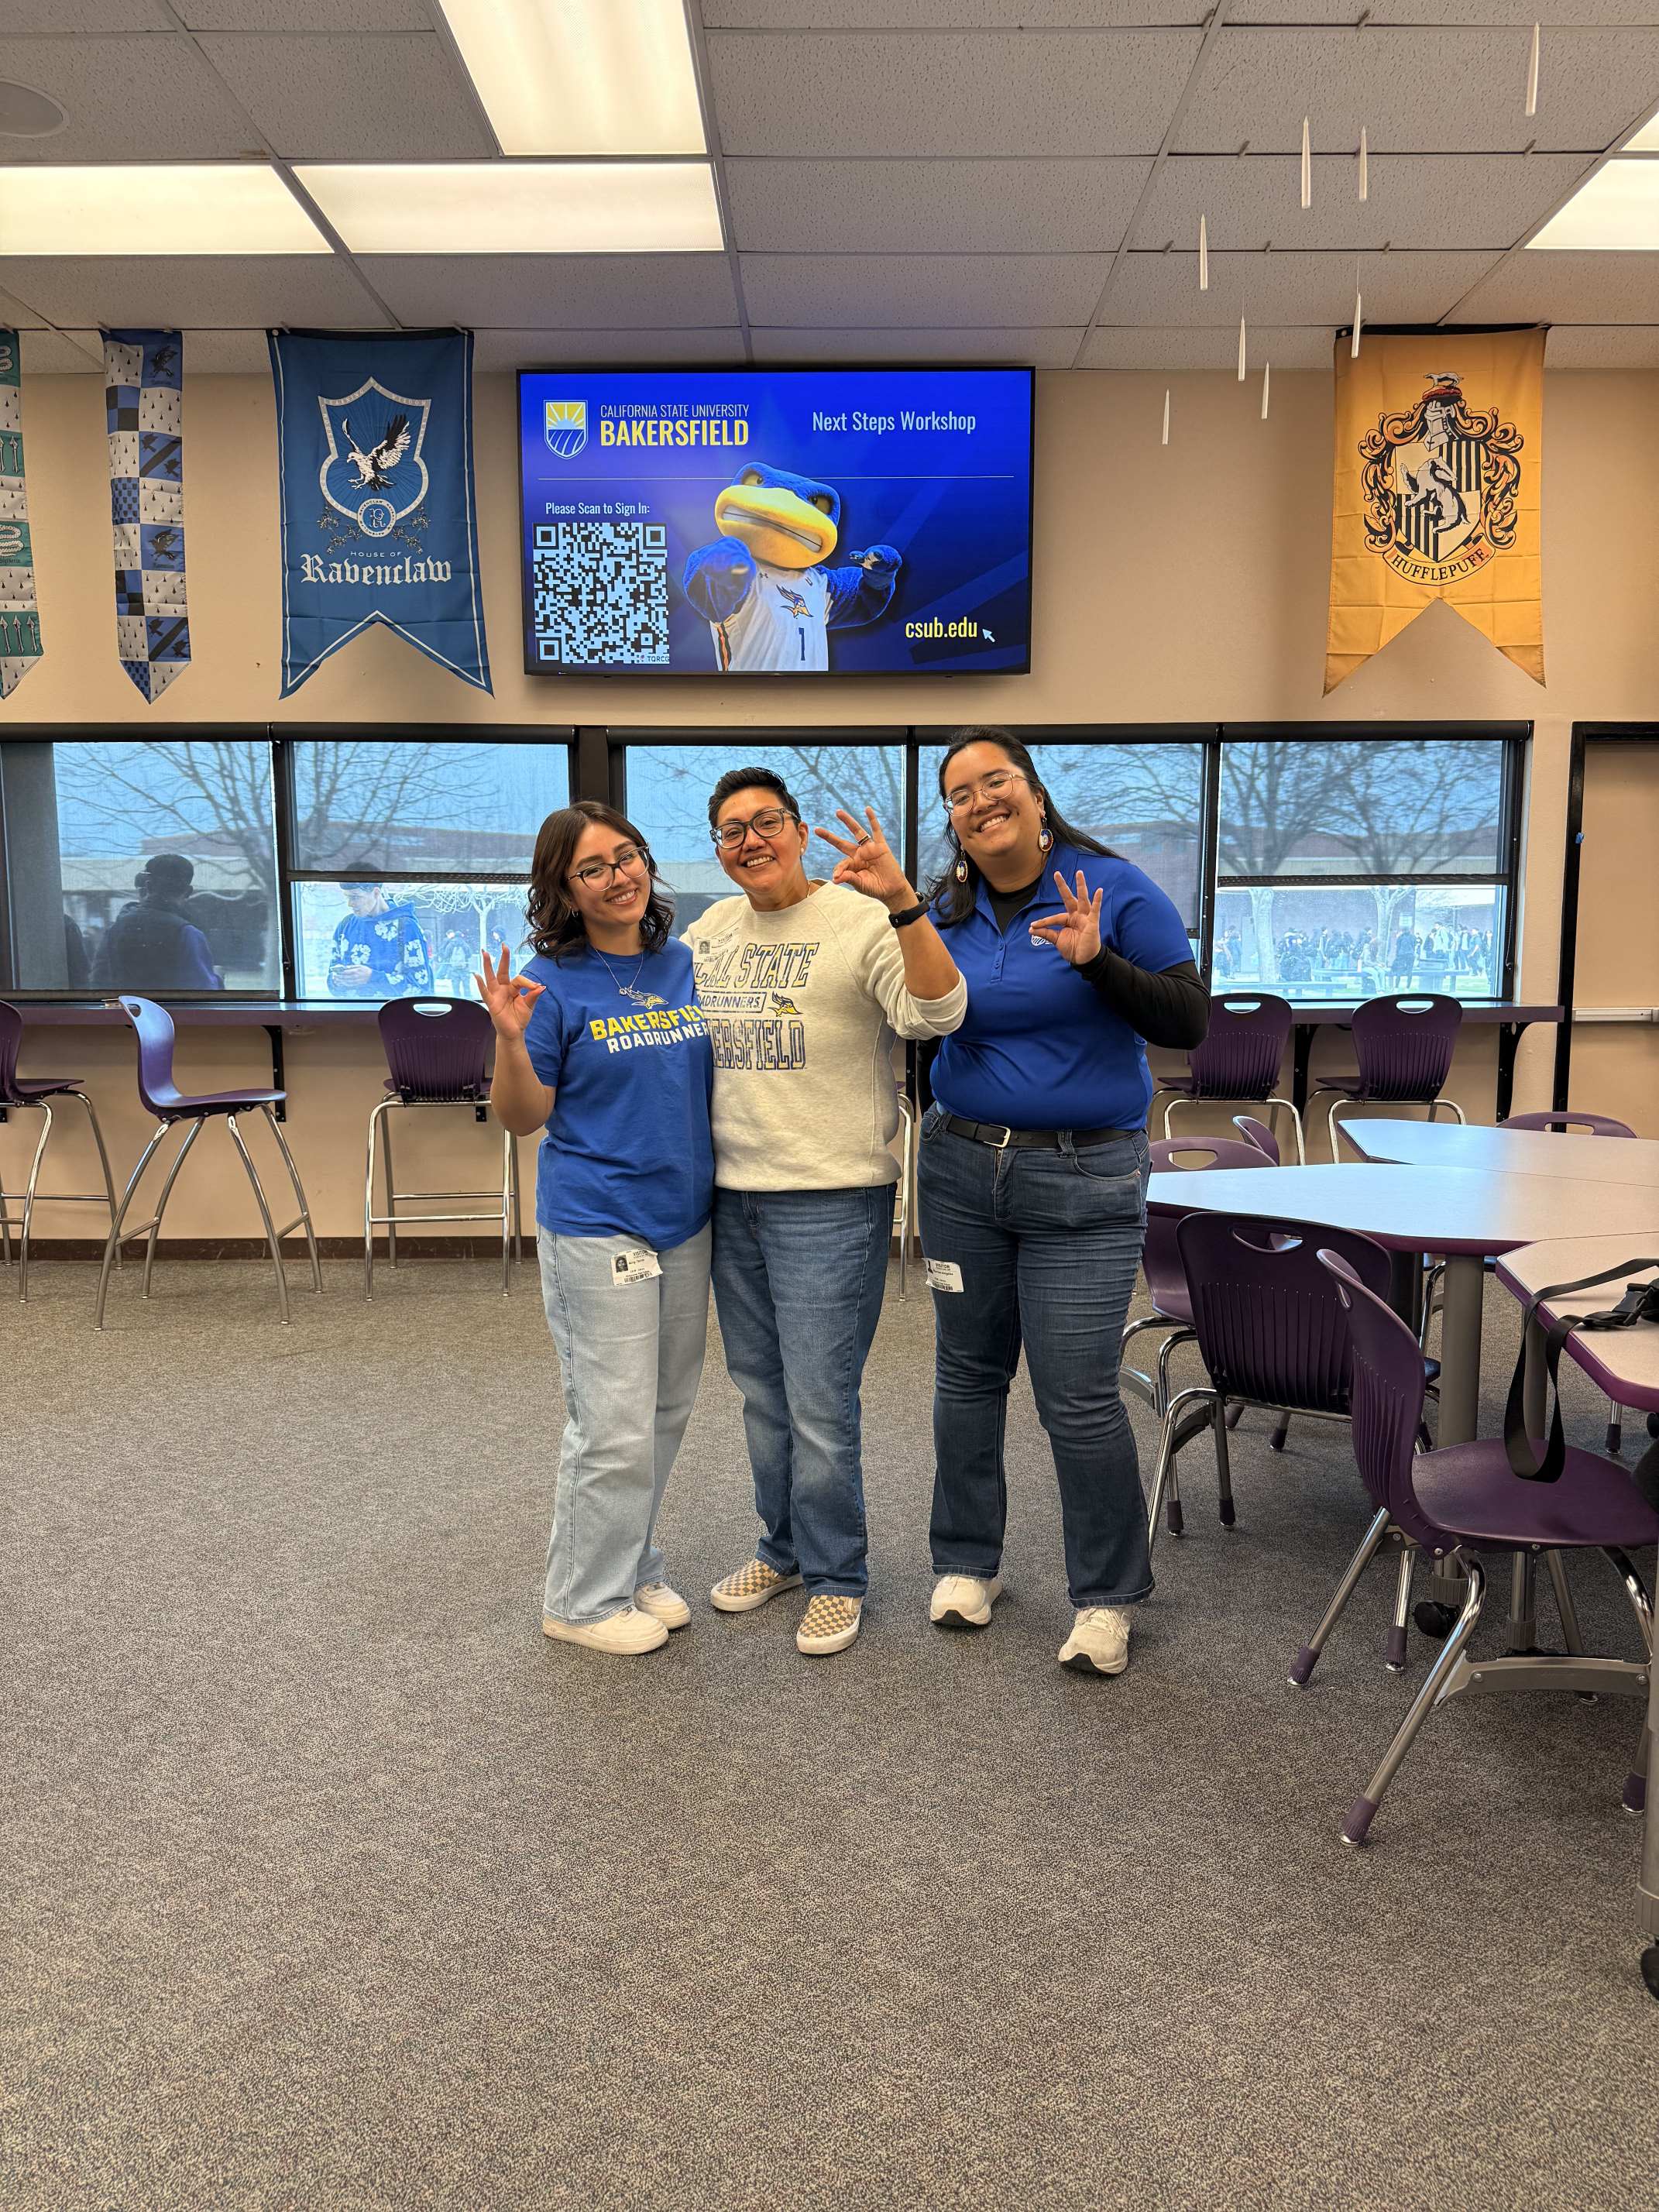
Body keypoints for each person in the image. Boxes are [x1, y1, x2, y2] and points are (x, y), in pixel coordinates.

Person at [916, 729, 1207, 1678]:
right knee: (967, 1376)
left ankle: (1107, 1598)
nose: (980, 800)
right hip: (962, 1173)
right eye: (960, 793)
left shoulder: (1112, 888)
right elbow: (922, 1022)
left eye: (996, 779)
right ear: (954, 820)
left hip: (1084, 1179)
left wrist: (1095, 962)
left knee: (1076, 1394)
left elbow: (1188, 1019)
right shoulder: (945, 907)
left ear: (1036, 794)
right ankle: (968, 1563)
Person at [685, 766, 966, 1657]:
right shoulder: (710, 932)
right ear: (719, 851)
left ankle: (839, 1575)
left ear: (801, 833)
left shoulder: (858, 920)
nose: (751, 841)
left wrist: (905, 904)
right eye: (732, 831)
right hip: (732, 1197)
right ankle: (784, 1550)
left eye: (767, 822)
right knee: (761, 1395)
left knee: (817, 1401)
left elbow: (938, 1012)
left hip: (831, 1200)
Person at [478, 801, 713, 1659]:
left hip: (685, 1219)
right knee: (610, 1423)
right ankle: (579, 1600)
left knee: (663, 1411)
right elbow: (522, 1118)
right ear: (565, 890)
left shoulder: (682, 963)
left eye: (628, 856)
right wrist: (510, 1040)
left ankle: (629, 1564)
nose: (619, 877)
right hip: (597, 1222)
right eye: (594, 868)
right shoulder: (549, 983)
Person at [91, 854, 222, 991]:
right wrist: (217, 978)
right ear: (189, 891)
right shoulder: (187, 933)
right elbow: (203, 991)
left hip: (126, 1005)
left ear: (148, 886)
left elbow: (99, 980)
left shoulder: (117, 928)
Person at [327, 882, 434, 999]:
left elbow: (421, 988)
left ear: (376, 893)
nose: (350, 904)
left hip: (392, 1010)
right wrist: (337, 980)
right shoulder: (346, 924)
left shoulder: (407, 926)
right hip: (349, 1009)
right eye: (347, 897)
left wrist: (372, 977)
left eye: (355, 897)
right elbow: (332, 979)